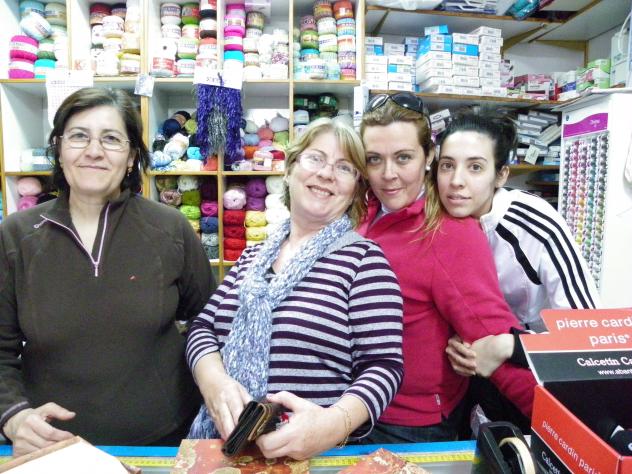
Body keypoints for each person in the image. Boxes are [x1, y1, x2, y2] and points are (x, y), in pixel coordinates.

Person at [0, 87, 214, 456]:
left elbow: (211, 322)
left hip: (163, 443)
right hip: (52, 448)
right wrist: (14, 416)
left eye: (111, 138)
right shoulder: (16, 236)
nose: (94, 151)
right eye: (79, 136)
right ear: (59, 149)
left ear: (131, 157)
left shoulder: (170, 229)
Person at [185, 117, 404, 460]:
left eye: (344, 167)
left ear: (355, 189)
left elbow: (384, 366)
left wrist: (334, 424)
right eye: (316, 158)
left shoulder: (364, 260)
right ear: (289, 170)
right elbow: (202, 328)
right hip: (225, 450)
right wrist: (213, 382)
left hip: (315, 459)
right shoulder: (253, 256)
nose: (327, 173)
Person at [358, 92, 536, 443]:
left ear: (428, 156)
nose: (388, 174)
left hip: (405, 424)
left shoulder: (448, 234)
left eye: (403, 157)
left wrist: (570, 431)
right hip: (353, 406)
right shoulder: (365, 210)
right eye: (374, 159)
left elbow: (490, 334)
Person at [431, 110, 600, 429]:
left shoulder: (532, 223)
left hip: (544, 370)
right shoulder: (436, 221)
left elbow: (589, 335)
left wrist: (508, 345)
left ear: (501, 175)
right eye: (448, 165)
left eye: (475, 167)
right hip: (476, 376)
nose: (456, 181)